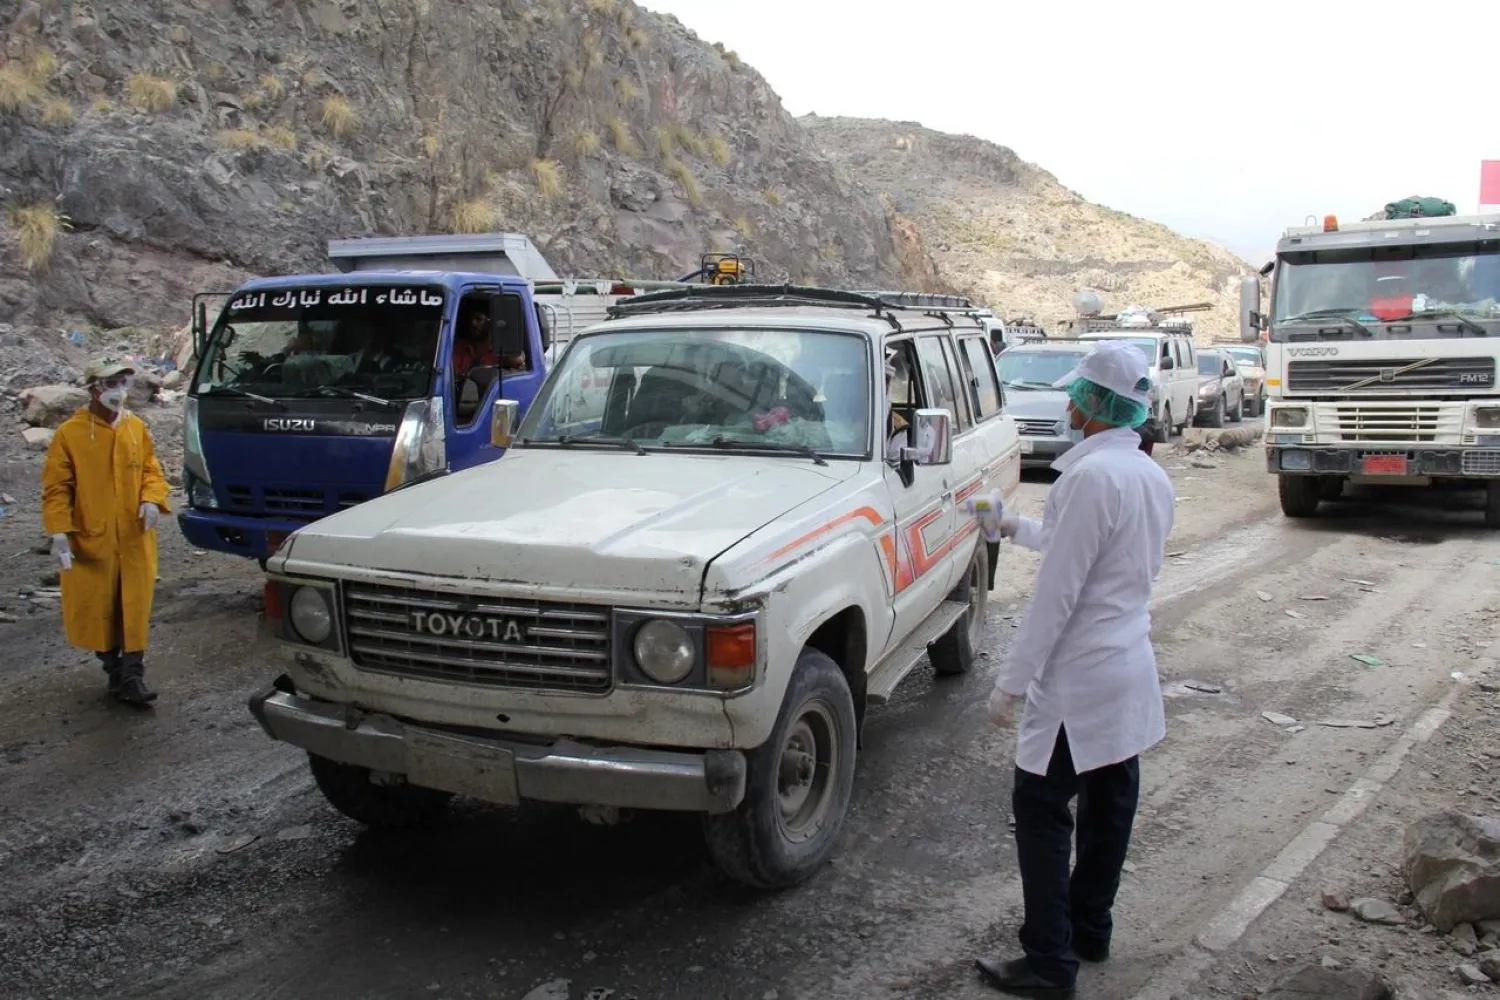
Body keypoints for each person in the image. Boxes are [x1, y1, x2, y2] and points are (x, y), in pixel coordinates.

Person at [975, 339, 1175, 998]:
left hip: (1080, 676)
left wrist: (1010, 680)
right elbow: (1089, 552)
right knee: (1110, 801)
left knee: (1040, 805)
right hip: (1125, 664)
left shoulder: (1090, 477)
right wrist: (1011, 525)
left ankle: (1049, 963)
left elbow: (1058, 594)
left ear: (1095, 404)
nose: (1068, 403)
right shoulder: (1146, 474)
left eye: (1077, 393)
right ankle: (1090, 928)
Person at [42, 359, 172, 706]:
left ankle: (132, 676)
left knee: (134, 606)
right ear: (94, 389)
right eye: (110, 384)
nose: (118, 391)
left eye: (122, 383)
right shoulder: (70, 434)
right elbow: (58, 488)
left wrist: (151, 499)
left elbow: (151, 469)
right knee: (100, 608)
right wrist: (59, 532)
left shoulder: (135, 428)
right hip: (93, 538)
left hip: (132, 535)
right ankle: (114, 669)